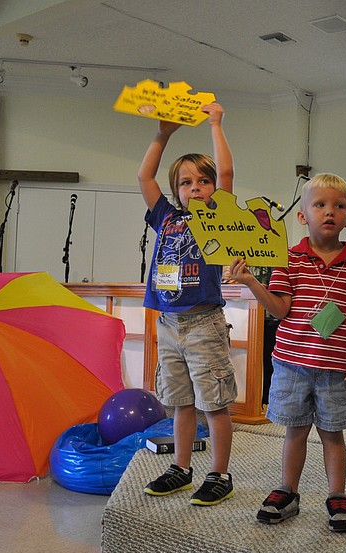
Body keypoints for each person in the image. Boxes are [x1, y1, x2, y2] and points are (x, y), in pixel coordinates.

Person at [230, 173, 346, 532]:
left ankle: (337, 495)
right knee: (295, 431)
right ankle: (288, 491)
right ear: (303, 215)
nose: (330, 212)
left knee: (332, 433)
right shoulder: (289, 259)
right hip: (292, 364)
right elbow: (280, 310)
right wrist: (252, 282)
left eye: (339, 206)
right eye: (320, 204)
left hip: (336, 368)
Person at [138, 102, 238, 506]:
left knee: (213, 403)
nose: (194, 188)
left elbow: (228, 173)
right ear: (176, 189)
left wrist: (216, 123)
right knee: (178, 402)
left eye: (202, 181)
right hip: (168, 323)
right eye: (185, 182)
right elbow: (144, 175)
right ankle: (181, 467)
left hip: (204, 323)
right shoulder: (165, 216)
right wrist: (163, 135)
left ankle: (220, 474)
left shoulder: (215, 215)